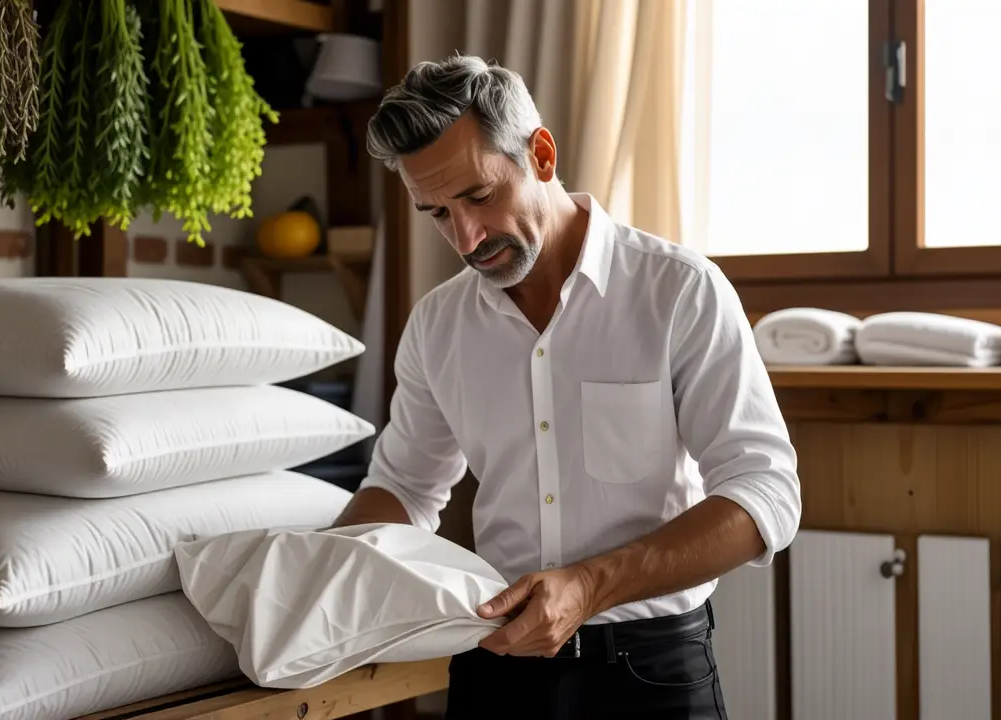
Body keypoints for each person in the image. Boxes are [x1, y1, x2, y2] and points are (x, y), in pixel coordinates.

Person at [330, 54, 801, 720]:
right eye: (436, 213)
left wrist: (589, 585)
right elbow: (404, 489)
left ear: (541, 155)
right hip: (496, 668)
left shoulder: (678, 291)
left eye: (478, 196)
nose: (465, 237)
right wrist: (315, 579)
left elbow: (766, 494)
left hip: (653, 671)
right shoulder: (438, 325)